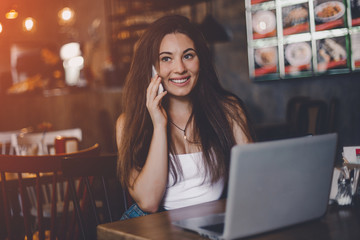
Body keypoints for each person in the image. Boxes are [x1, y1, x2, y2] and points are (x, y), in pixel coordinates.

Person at [116, 15, 254, 220]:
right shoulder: (128, 123)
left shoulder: (228, 110)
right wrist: (159, 125)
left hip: (213, 221)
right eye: (166, 58)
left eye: (188, 56)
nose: (180, 68)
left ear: (201, 60)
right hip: (155, 228)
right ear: (152, 68)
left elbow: (254, 178)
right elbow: (149, 202)